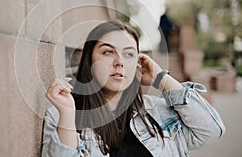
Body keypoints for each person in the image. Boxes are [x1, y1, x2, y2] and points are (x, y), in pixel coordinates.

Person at [41, 20, 225, 156]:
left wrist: (161, 78)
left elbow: (211, 131)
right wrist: (67, 115)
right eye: (108, 52)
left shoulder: (157, 111)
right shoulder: (60, 116)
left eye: (129, 54)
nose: (119, 62)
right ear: (89, 60)